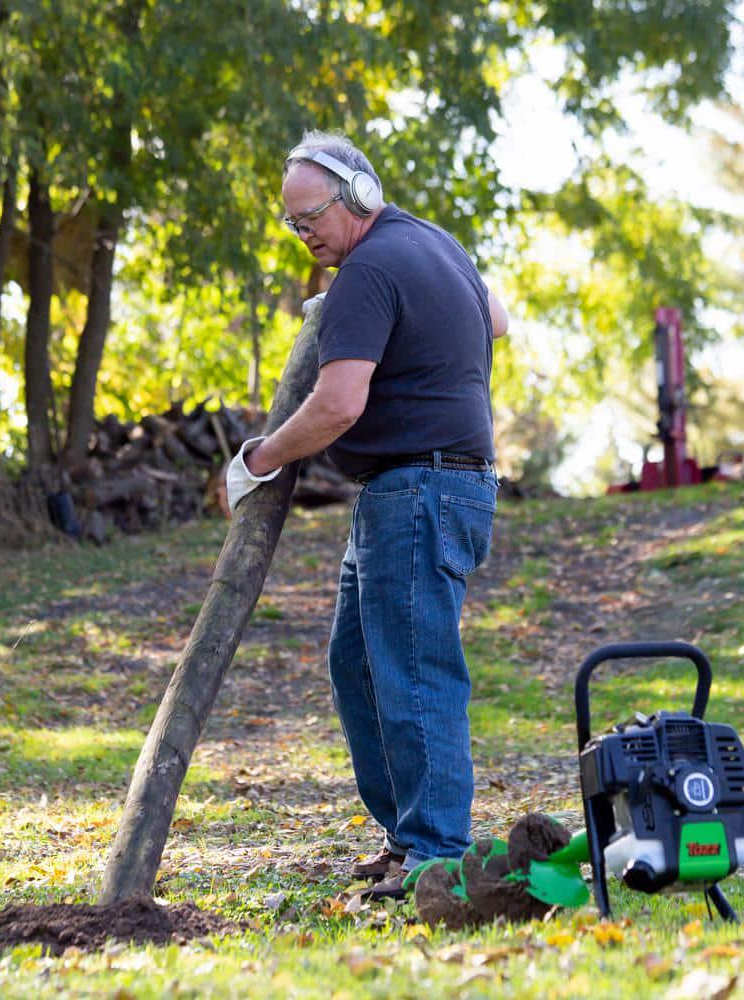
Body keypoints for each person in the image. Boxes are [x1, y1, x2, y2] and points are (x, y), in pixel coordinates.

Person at [226, 130, 508, 900]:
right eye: (292, 222)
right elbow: (500, 318)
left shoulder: (370, 268)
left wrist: (261, 458)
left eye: (312, 214)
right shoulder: (434, 245)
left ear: (360, 197)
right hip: (426, 488)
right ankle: (407, 835)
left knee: (414, 671)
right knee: (357, 666)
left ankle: (437, 854)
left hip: (418, 489)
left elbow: (339, 405)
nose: (303, 231)